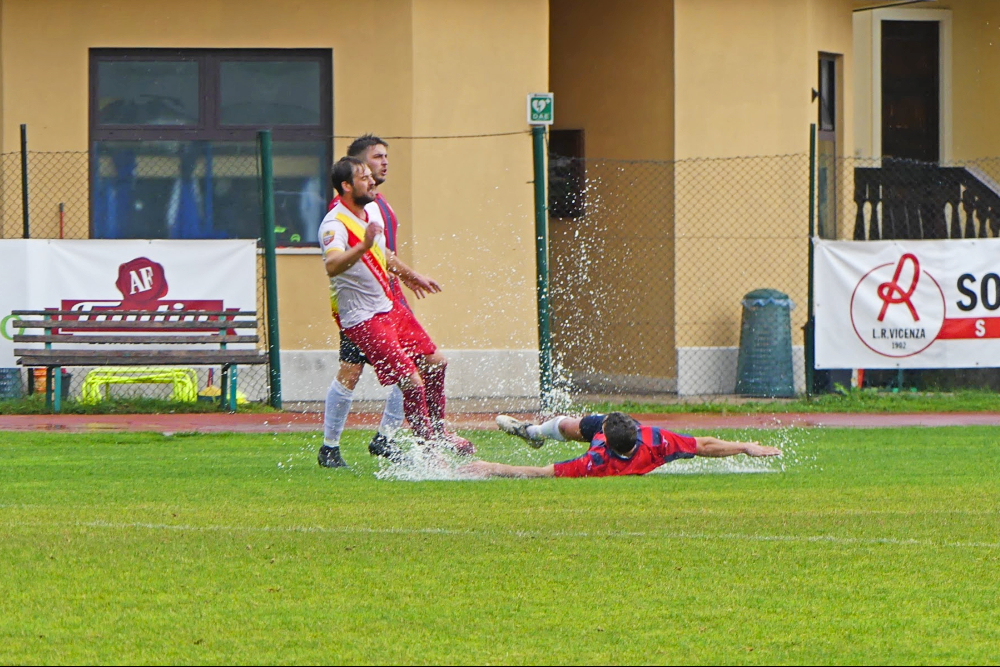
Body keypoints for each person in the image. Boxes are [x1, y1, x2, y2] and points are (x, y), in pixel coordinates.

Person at [316, 156, 474, 468]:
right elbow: (332, 265)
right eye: (364, 177)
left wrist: (411, 275)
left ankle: (438, 431)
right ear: (346, 186)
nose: (372, 180)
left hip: (389, 308)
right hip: (362, 318)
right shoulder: (334, 223)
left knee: (435, 362)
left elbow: (383, 253)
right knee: (410, 381)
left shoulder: (367, 213)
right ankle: (428, 452)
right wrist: (361, 246)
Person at [462, 412, 781, 478]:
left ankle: (534, 432)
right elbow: (705, 444)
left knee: (568, 424)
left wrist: (491, 467)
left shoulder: (595, 462)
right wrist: (743, 446)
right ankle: (534, 432)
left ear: (604, 440)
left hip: (604, 443)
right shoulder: (656, 441)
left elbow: (540, 472)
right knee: (571, 426)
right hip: (625, 441)